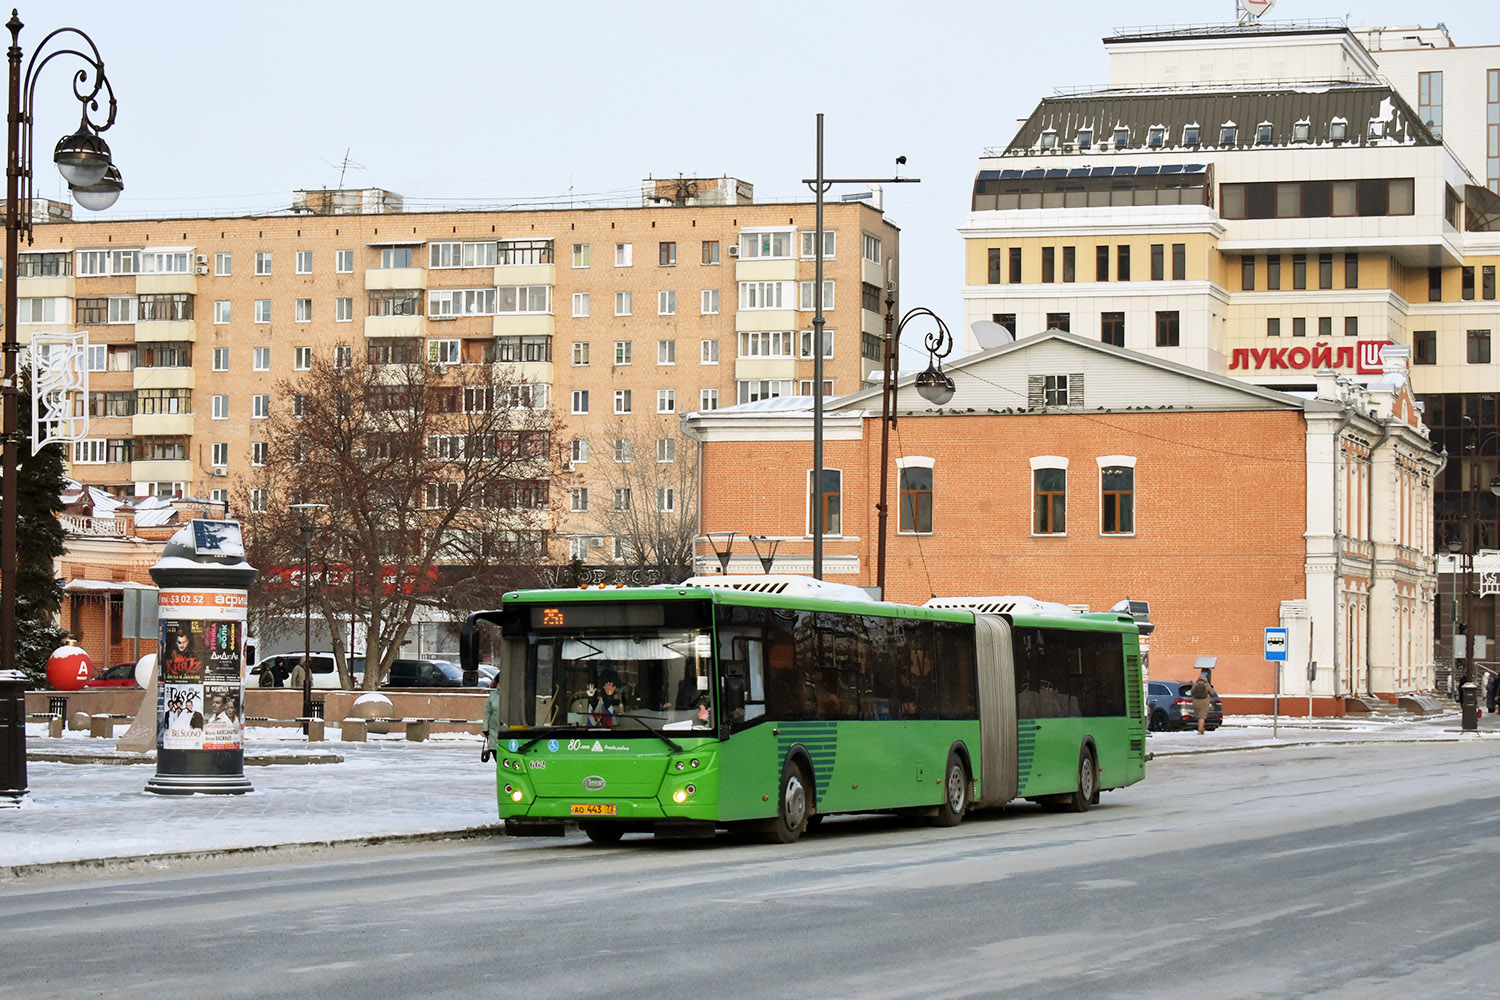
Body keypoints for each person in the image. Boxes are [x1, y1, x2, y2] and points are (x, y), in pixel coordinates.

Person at [1191, 669, 1217, 735]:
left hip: (1196, 702)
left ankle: (1200, 729)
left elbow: (1191, 693)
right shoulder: (1206, 685)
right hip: (1204, 702)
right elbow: (1212, 693)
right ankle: (1200, 730)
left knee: (1199, 716)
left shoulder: (1195, 684)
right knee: (1202, 717)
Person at [480, 680, 500, 763]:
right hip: (494, 731)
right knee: (495, 751)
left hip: (509, 732)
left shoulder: (512, 695)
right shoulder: (493, 696)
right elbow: (487, 712)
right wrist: (485, 728)